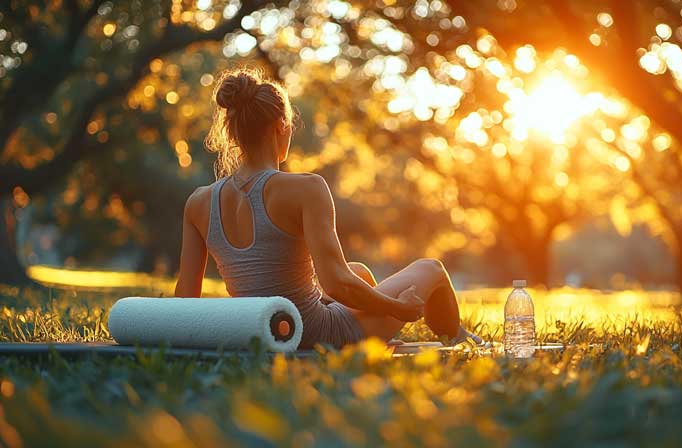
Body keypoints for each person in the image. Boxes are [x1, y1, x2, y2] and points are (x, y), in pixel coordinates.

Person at [174, 67, 481, 349]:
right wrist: (400, 308)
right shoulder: (306, 188)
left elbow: (184, 301)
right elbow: (337, 283)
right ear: (281, 126)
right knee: (432, 269)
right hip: (315, 334)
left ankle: (390, 327)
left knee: (358, 272)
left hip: (261, 331)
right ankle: (458, 338)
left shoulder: (199, 201)